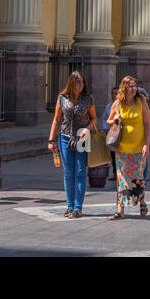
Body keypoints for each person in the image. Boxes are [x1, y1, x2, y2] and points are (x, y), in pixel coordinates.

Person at [47, 71, 96, 217]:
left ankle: (78, 208)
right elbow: (56, 120)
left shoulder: (87, 99)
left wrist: (86, 129)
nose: (80, 85)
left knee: (80, 171)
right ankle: (70, 206)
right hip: (65, 138)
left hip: (81, 138)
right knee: (68, 172)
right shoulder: (62, 98)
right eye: (77, 82)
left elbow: (94, 119)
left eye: (82, 82)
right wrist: (51, 140)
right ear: (71, 83)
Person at [105, 76, 150, 218]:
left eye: (135, 86)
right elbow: (108, 121)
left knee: (137, 177)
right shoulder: (118, 103)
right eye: (131, 86)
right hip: (122, 148)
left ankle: (142, 202)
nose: (133, 88)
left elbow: (147, 123)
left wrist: (146, 144)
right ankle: (120, 210)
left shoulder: (141, 101)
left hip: (138, 147)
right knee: (122, 179)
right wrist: (114, 119)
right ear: (124, 88)